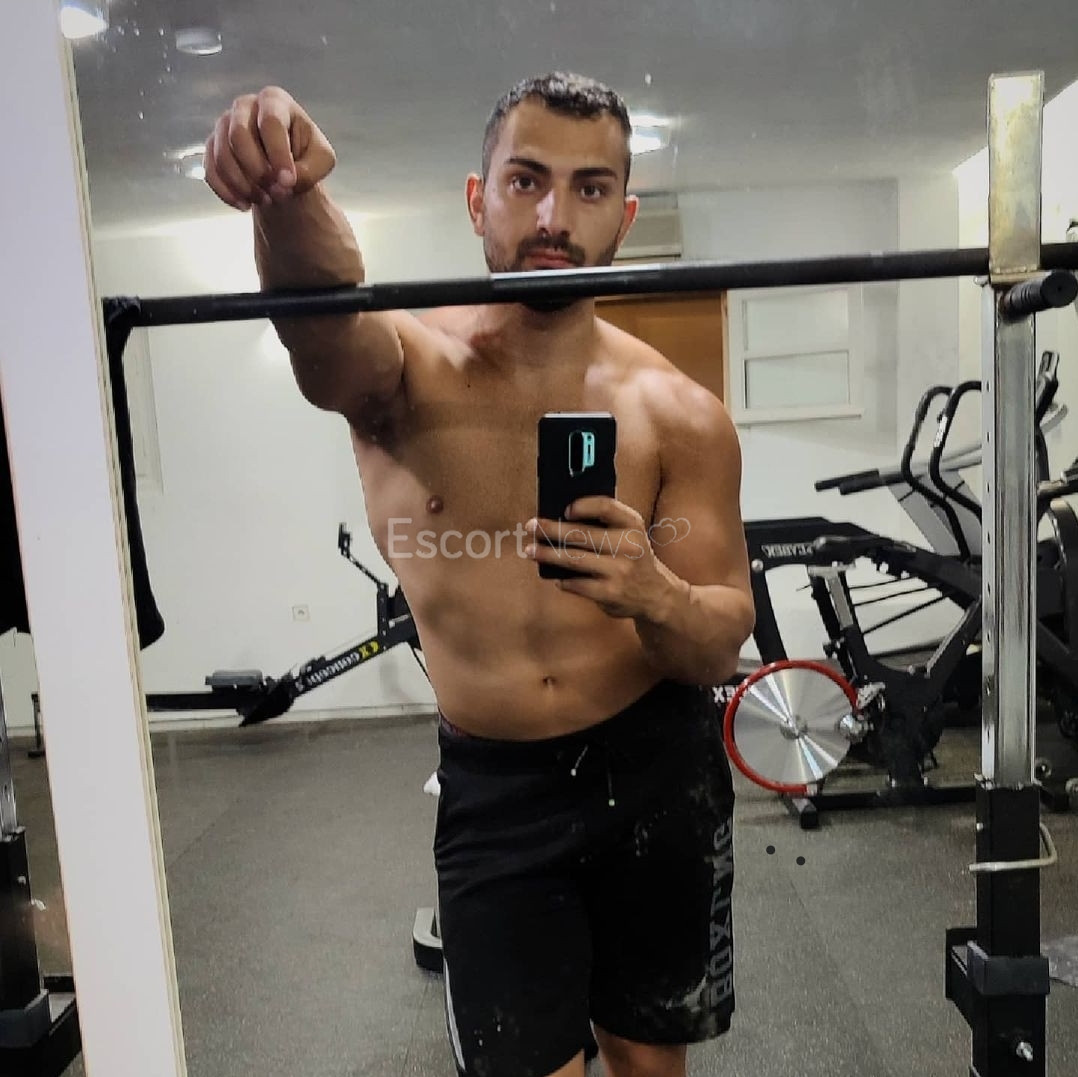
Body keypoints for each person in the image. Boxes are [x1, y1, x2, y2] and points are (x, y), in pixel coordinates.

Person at [203, 71, 755, 1077]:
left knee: (649, 1065)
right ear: (477, 198)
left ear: (625, 217)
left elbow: (721, 638)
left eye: (590, 188)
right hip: (499, 792)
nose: (554, 217)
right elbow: (319, 324)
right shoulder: (405, 369)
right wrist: (287, 193)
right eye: (526, 180)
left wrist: (656, 593)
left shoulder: (680, 413)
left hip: (654, 770)